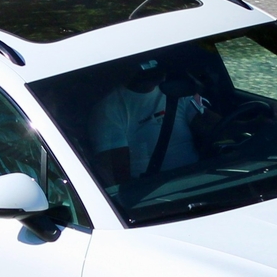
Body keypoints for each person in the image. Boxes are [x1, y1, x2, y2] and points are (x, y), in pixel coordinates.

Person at [88, 56, 209, 188]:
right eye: (146, 63)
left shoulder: (177, 89)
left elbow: (212, 126)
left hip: (202, 178)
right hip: (154, 193)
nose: (153, 66)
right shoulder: (110, 109)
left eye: (156, 61)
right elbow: (117, 176)